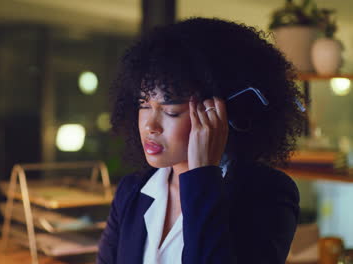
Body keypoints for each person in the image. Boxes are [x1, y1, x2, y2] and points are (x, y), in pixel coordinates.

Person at [97, 17, 305, 264]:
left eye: (171, 111)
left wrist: (202, 176)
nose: (149, 126)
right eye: (144, 105)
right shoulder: (132, 191)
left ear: (217, 113)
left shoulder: (267, 193)